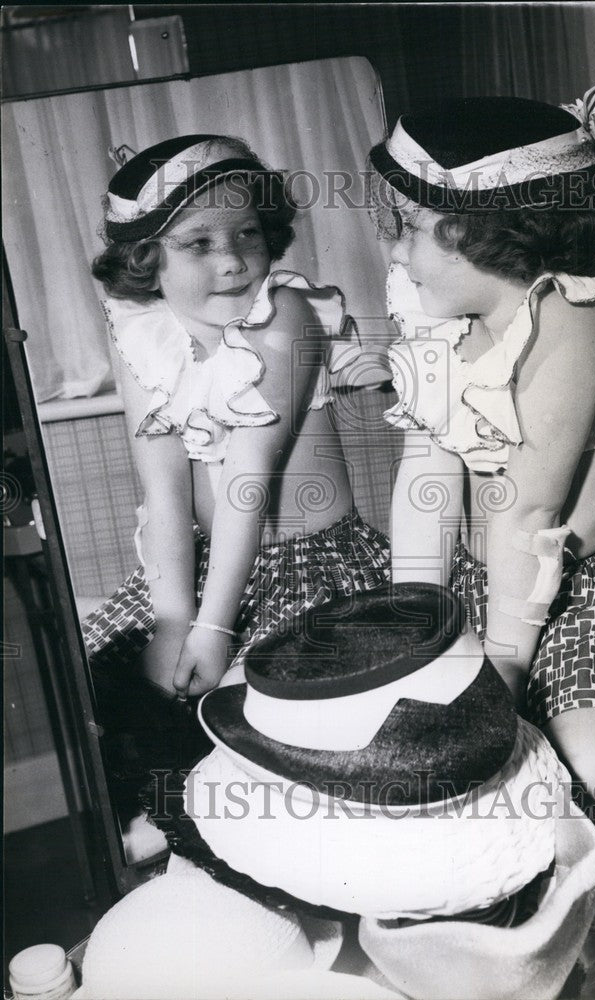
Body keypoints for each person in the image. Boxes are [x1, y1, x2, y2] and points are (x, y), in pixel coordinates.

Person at [367, 83, 595, 819]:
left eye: (407, 227)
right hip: (490, 580)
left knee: (593, 775)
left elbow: (528, 511)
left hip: (577, 590)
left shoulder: (570, 324)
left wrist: (502, 665)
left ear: (484, 230)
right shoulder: (440, 321)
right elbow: (426, 474)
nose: (393, 249)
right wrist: (417, 620)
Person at [83, 134, 389, 821]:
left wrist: (212, 630)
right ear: (145, 259)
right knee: (118, 673)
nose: (231, 261)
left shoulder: (287, 316)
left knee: (275, 725)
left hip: (310, 568)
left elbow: (247, 484)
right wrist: (172, 620)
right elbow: (161, 491)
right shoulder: (139, 332)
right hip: (202, 567)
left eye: (246, 232)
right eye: (198, 244)